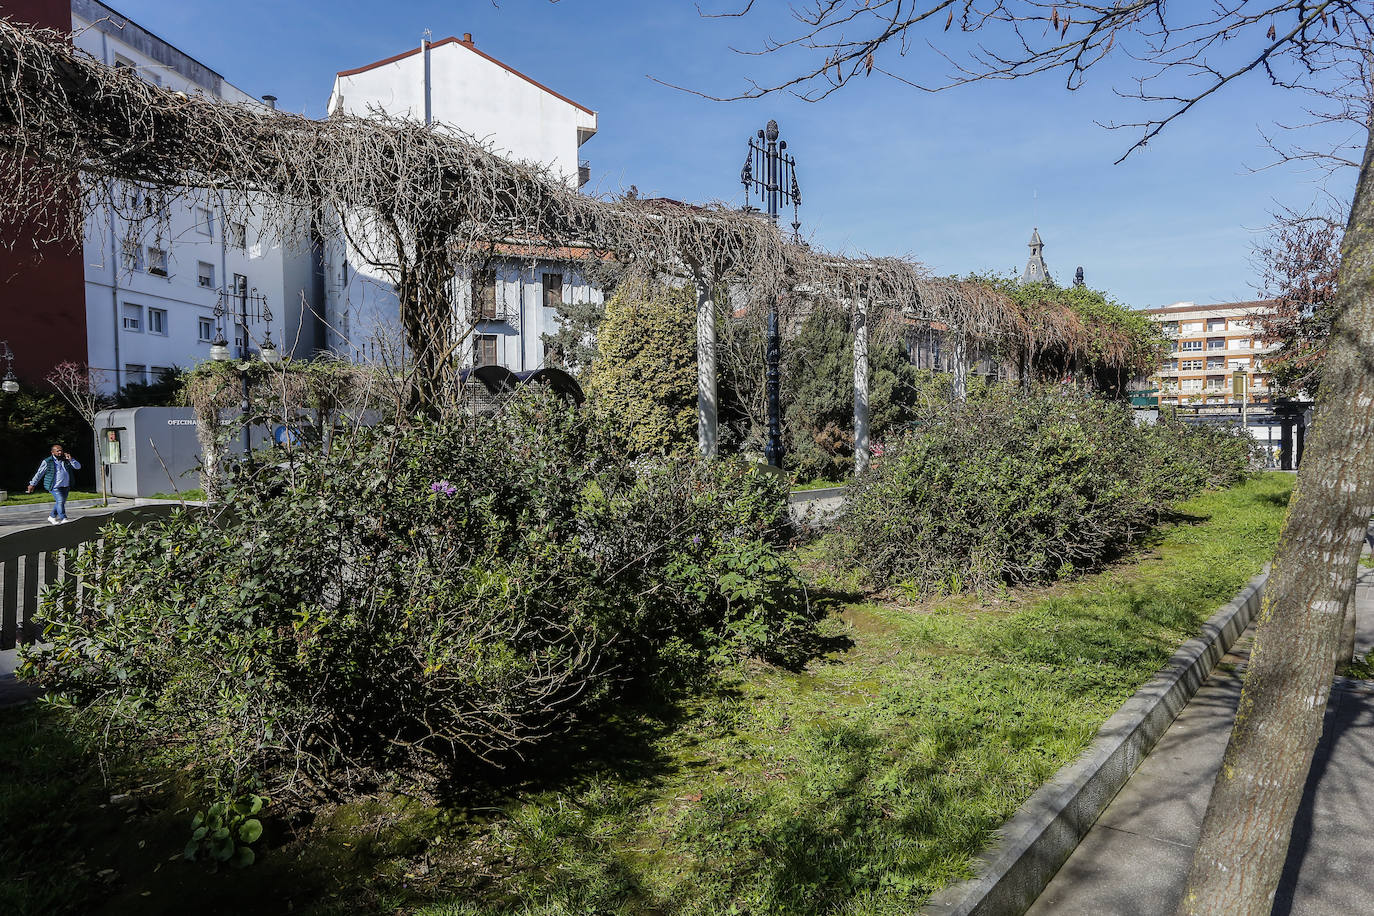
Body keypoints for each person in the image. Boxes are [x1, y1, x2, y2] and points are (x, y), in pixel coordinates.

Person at [27, 443, 81, 524]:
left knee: (61, 502)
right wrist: (32, 484)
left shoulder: (66, 459)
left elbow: (78, 467)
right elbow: (39, 473)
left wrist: (71, 459)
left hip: (65, 485)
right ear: (53, 452)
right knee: (60, 501)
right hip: (54, 486)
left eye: (61, 450)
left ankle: (52, 516)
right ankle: (64, 518)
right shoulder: (47, 461)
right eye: (58, 451)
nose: (60, 452)